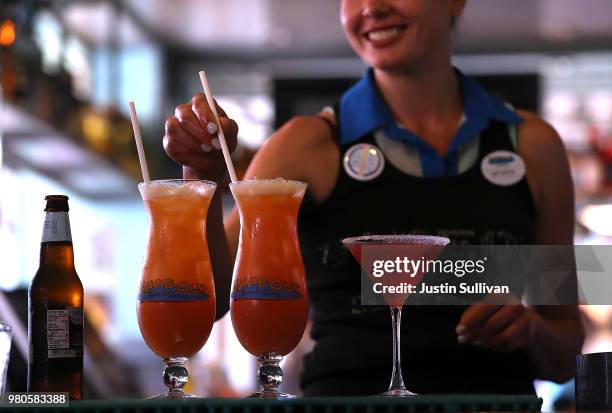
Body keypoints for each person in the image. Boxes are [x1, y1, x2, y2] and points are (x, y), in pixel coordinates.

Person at [162, 0, 584, 395]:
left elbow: (568, 349)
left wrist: (531, 329)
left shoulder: (535, 145)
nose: (371, 8)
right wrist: (201, 178)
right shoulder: (304, 144)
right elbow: (209, 298)